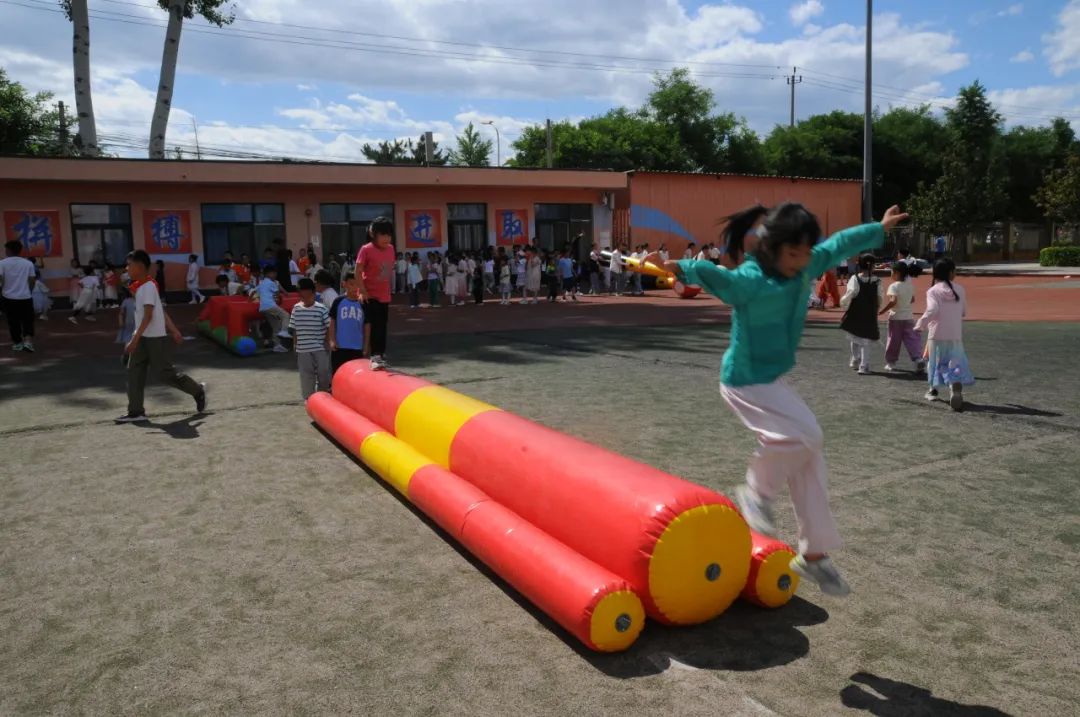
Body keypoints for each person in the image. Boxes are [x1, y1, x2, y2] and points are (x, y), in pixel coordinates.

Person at [646, 203, 909, 597]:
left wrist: (878, 228)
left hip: (770, 380)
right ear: (771, 250)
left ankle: (814, 554)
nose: (799, 263)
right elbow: (711, 273)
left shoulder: (805, 263)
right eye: (791, 254)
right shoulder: (750, 280)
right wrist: (674, 267)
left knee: (810, 450)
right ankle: (755, 492)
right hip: (743, 380)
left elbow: (838, 245)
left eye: (805, 253)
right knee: (800, 438)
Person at [117, 250, 206, 422]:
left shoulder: (149, 287)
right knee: (134, 371)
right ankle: (136, 412)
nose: (126, 268)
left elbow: (149, 316)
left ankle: (197, 390)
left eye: (129, 265)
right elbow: (159, 310)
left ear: (140, 266)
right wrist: (174, 330)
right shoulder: (141, 287)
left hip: (154, 338)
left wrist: (134, 340)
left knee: (164, 373)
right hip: (142, 337)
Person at [915, 259, 973, 411]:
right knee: (954, 362)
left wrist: (920, 323)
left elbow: (932, 309)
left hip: (936, 334)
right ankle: (954, 386)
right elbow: (964, 311)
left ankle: (933, 390)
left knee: (933, 362)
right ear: (950, 273)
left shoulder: (933, 291)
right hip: (955, 334)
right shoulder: (960, 289)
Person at [355, 217, 395, 370]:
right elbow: (357, 271)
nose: (386, 238)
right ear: (373, 234)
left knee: (382, 325)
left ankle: (381, 355)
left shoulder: (390, 249)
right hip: (369, 295)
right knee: (373, 325)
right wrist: (363, 291)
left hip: (384, 294)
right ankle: (374, 356)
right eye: (383, 234)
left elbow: (386, 270)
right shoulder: (366, 249)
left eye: (389, 235)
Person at [839, 254, 882, 375]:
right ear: (873, 266)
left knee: (855, 335)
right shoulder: (877, 281)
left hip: (856, 311)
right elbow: (879, 297)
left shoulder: (855, 278)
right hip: (870, 313)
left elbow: (850, 293)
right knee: (866, 339)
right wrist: (877, 308)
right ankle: (864, 365)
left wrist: (844, 305)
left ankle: (855, 359)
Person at [879, 262, 925, 374]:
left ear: (896, 273)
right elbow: (912, 300)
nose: (890, 273)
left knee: (893, 340)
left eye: (891, 271)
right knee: (912, 339)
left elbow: (893, 301)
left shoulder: (893, 286)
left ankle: (891, 363)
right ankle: (918, 359)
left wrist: (883, 311)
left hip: (895, 318)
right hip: (908, 317)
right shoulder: (910, 285)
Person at [288, 277, 331, 399]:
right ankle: (309, 400)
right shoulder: (296, 309)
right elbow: (294, 328)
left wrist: (326, 343)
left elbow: (329, 327)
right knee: (306, 376)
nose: (304, 297)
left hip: (320, 348)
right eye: (301, 294)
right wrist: (295, 345)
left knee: (323, 374)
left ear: (313, 292)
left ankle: (323, 398)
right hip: (303, 349)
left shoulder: (321, 309)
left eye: (306, 294)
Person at [0, 240, 37, 352]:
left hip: (8, 297)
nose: (5, 251)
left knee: (13, 321)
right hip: (25, 296)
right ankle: (28, 342)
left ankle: (18, 343)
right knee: (28, 320)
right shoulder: (28, 263)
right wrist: (28, 291)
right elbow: (32, 280)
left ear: (9, 250)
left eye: (6, 249)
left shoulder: (2, 263)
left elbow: (0, 280)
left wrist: (2, 291)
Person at [329, 269, 367, 374]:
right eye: (351, 284)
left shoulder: (363, 303)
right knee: (338, 375)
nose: (355, 288)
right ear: (344, 284)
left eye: (358, 284)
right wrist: (332, 340)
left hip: (357, 348)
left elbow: (367, 326)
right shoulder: (338, 301)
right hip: (340, 348)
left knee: (356, 377)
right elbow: (332, 322)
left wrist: (366, 345)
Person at [256, 265, 290, 353]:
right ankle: (284, 331)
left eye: (276, 273)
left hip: (263, 308)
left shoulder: (261, 283)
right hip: (270, 305)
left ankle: (277, 346)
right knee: (286, 315)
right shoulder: (272, 283)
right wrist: (279, 294)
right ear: (268, 274)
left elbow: (253, 291)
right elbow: (278, 293)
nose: (275, 275)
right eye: (273, 273)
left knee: (276, 325)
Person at [115, 285, 135, 352]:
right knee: (129, 337)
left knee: (130, 337)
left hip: (133, 322)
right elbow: (121, 313)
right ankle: (128, 353)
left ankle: (129, 352)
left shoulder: (126, 301)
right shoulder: (127, 301)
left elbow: (121, 313)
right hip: (131, 322)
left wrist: (120, 321)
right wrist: (120, 321)